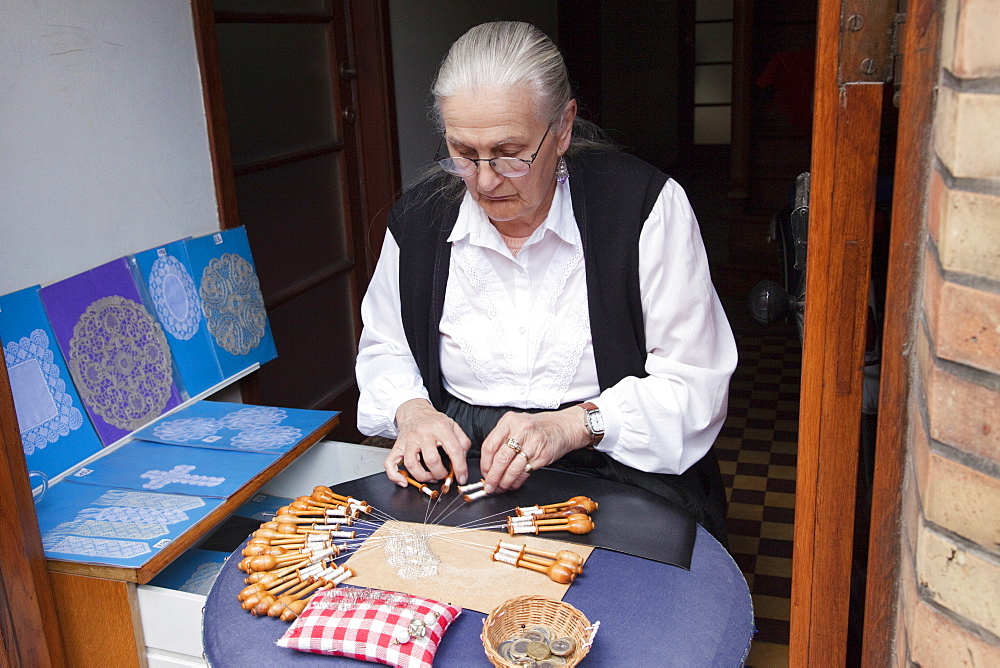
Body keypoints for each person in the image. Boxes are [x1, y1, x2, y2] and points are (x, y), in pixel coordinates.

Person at [356, 21, 737, 543]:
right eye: (464, 154)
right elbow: (385, 346)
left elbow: (695, 383)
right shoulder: (419, 221)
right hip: (465, 471)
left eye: (510, 152)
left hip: (618, 467)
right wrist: (413, 411)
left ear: (563, 128)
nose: (486, 181)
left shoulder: (643, 208)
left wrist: (572, 425)